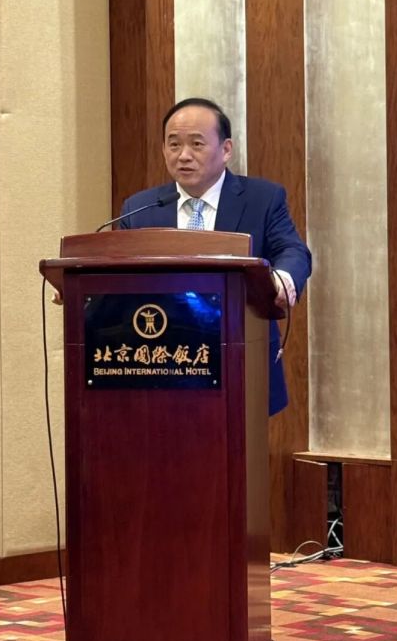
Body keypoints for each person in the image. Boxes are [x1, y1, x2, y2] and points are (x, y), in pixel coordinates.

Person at [119, 97, 311, 415]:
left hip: (240, 355)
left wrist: (282, 280)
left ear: (226, 149)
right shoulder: (139, 209)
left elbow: (292, 250)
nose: (183, 155)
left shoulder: (263, 199)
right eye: (174, 144)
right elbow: (117, 271)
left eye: (196, 144)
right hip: (159, 364)